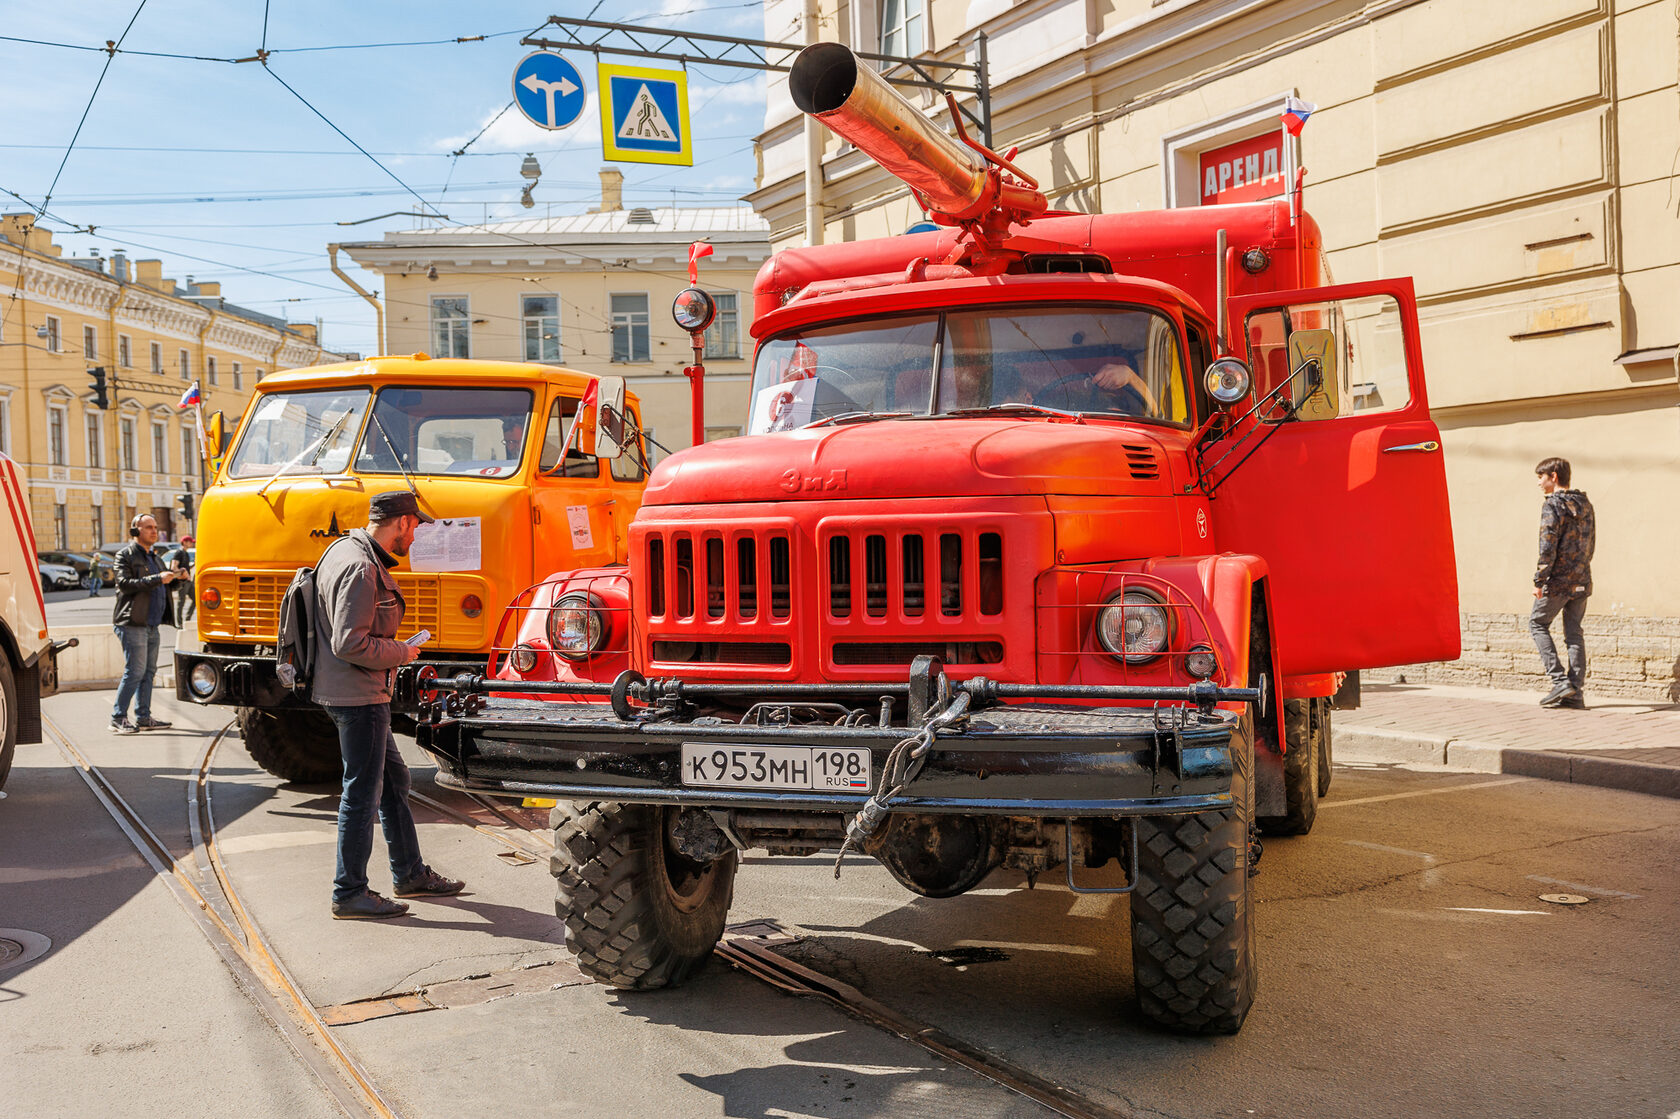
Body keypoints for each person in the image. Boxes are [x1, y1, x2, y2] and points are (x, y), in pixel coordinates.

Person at [314, 489, 463, 919]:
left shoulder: (343, 548)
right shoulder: (361, 567)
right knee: (362, 793)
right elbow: (349, 642)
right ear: (400, 522)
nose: (414, 537)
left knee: (394, 782)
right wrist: (402, 651)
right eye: (414, 527)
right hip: (358, 695)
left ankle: (410, 872)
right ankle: (349, 892)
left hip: (352, 689)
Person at [1530, 457, 1596, 709]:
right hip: (1582, 578)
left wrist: (1540, 579)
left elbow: (1547, 546)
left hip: (1558, 581)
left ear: (1554, 476)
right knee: (1574, 634)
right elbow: (1591, 544)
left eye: (1540, 477)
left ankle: (1559, 682)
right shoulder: (1586, 503)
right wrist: (1582, 570)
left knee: (1537, 624)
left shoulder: (1552, 506)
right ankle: (1576, 693)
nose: (1538, 483)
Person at [109, 515, 177, 734]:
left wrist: (176, 579)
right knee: (135, 671)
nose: (154, 531)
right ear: (135, 531)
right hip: (131, 622)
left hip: (151, 624)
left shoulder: (154, 557)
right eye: (149, 527)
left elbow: (161, 588)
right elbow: (125, 584)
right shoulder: (125, 555)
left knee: (149, 672)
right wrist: (158, 578)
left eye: (156, 527)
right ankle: (117, 718)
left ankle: (144, 717)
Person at [170, 546, 195, 623]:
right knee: (181, 601)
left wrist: (194, 564)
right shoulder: (179, 552)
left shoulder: (186, 553)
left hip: (188, 581)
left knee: (196, 600)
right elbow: (173, 567)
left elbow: (186, 568)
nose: (191, 543)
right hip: (182, 581)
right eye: (189, 542)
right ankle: (179, 622)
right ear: (184, 542)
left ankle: (187, 619)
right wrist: (182, 575)